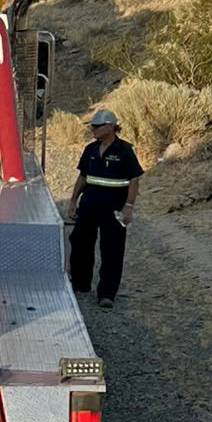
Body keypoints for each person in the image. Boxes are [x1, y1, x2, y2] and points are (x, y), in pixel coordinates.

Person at [68, 108, 143, 309]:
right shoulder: (90, 150)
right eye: (92, 126)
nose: (93, 129)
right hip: (89, 205)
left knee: (112, 250)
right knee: (79, 242)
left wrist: (129, 206)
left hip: (113, 209)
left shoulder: (125, 150)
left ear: (111, 126)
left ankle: (107, 293)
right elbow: (83, 177)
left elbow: (134, 180)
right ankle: (81, 284)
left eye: (97, 126)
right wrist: (73, 200)